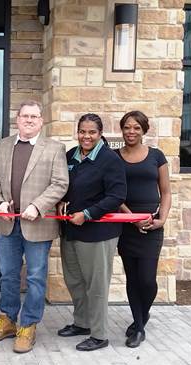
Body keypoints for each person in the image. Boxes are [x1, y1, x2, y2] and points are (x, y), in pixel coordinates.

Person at [0, 100, 69, 353]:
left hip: (37, 224)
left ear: (41, 121)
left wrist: (37, 206)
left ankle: (28, 325)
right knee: (7, 275)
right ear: (17, 119)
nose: (29, 120)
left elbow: (60, 184)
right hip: (7, 223)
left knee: (34, 277)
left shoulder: (54, 148)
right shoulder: (3, 145)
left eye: (34, 116)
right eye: (25, 116)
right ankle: (8, 320)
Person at [56, 113, 126, 351]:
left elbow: (116, 196)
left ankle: (99, 334)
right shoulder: (70, 156)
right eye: (82, 132)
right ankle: (82, 323)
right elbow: (63, 186)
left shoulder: (110, 159)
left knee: (95, 285)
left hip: (98, 233)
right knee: (75, 281)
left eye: (92, 132)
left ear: (100, 133)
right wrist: (60, 202)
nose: (86, 136)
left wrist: (86, 214)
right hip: (70, 231)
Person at [116, 111, 171, 348]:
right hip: (126, 224)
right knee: (132, 278)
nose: (131, 131)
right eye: (127, 127)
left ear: (144, 130)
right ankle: (138, 327)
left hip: (152, 223)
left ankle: (143, 313)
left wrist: (162, 219)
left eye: (136, 128)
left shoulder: (157, 156)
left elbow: (166, 191)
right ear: (122, 129)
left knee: (147, 280)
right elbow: (113, 193)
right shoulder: (113, 157)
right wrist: (131, 219)